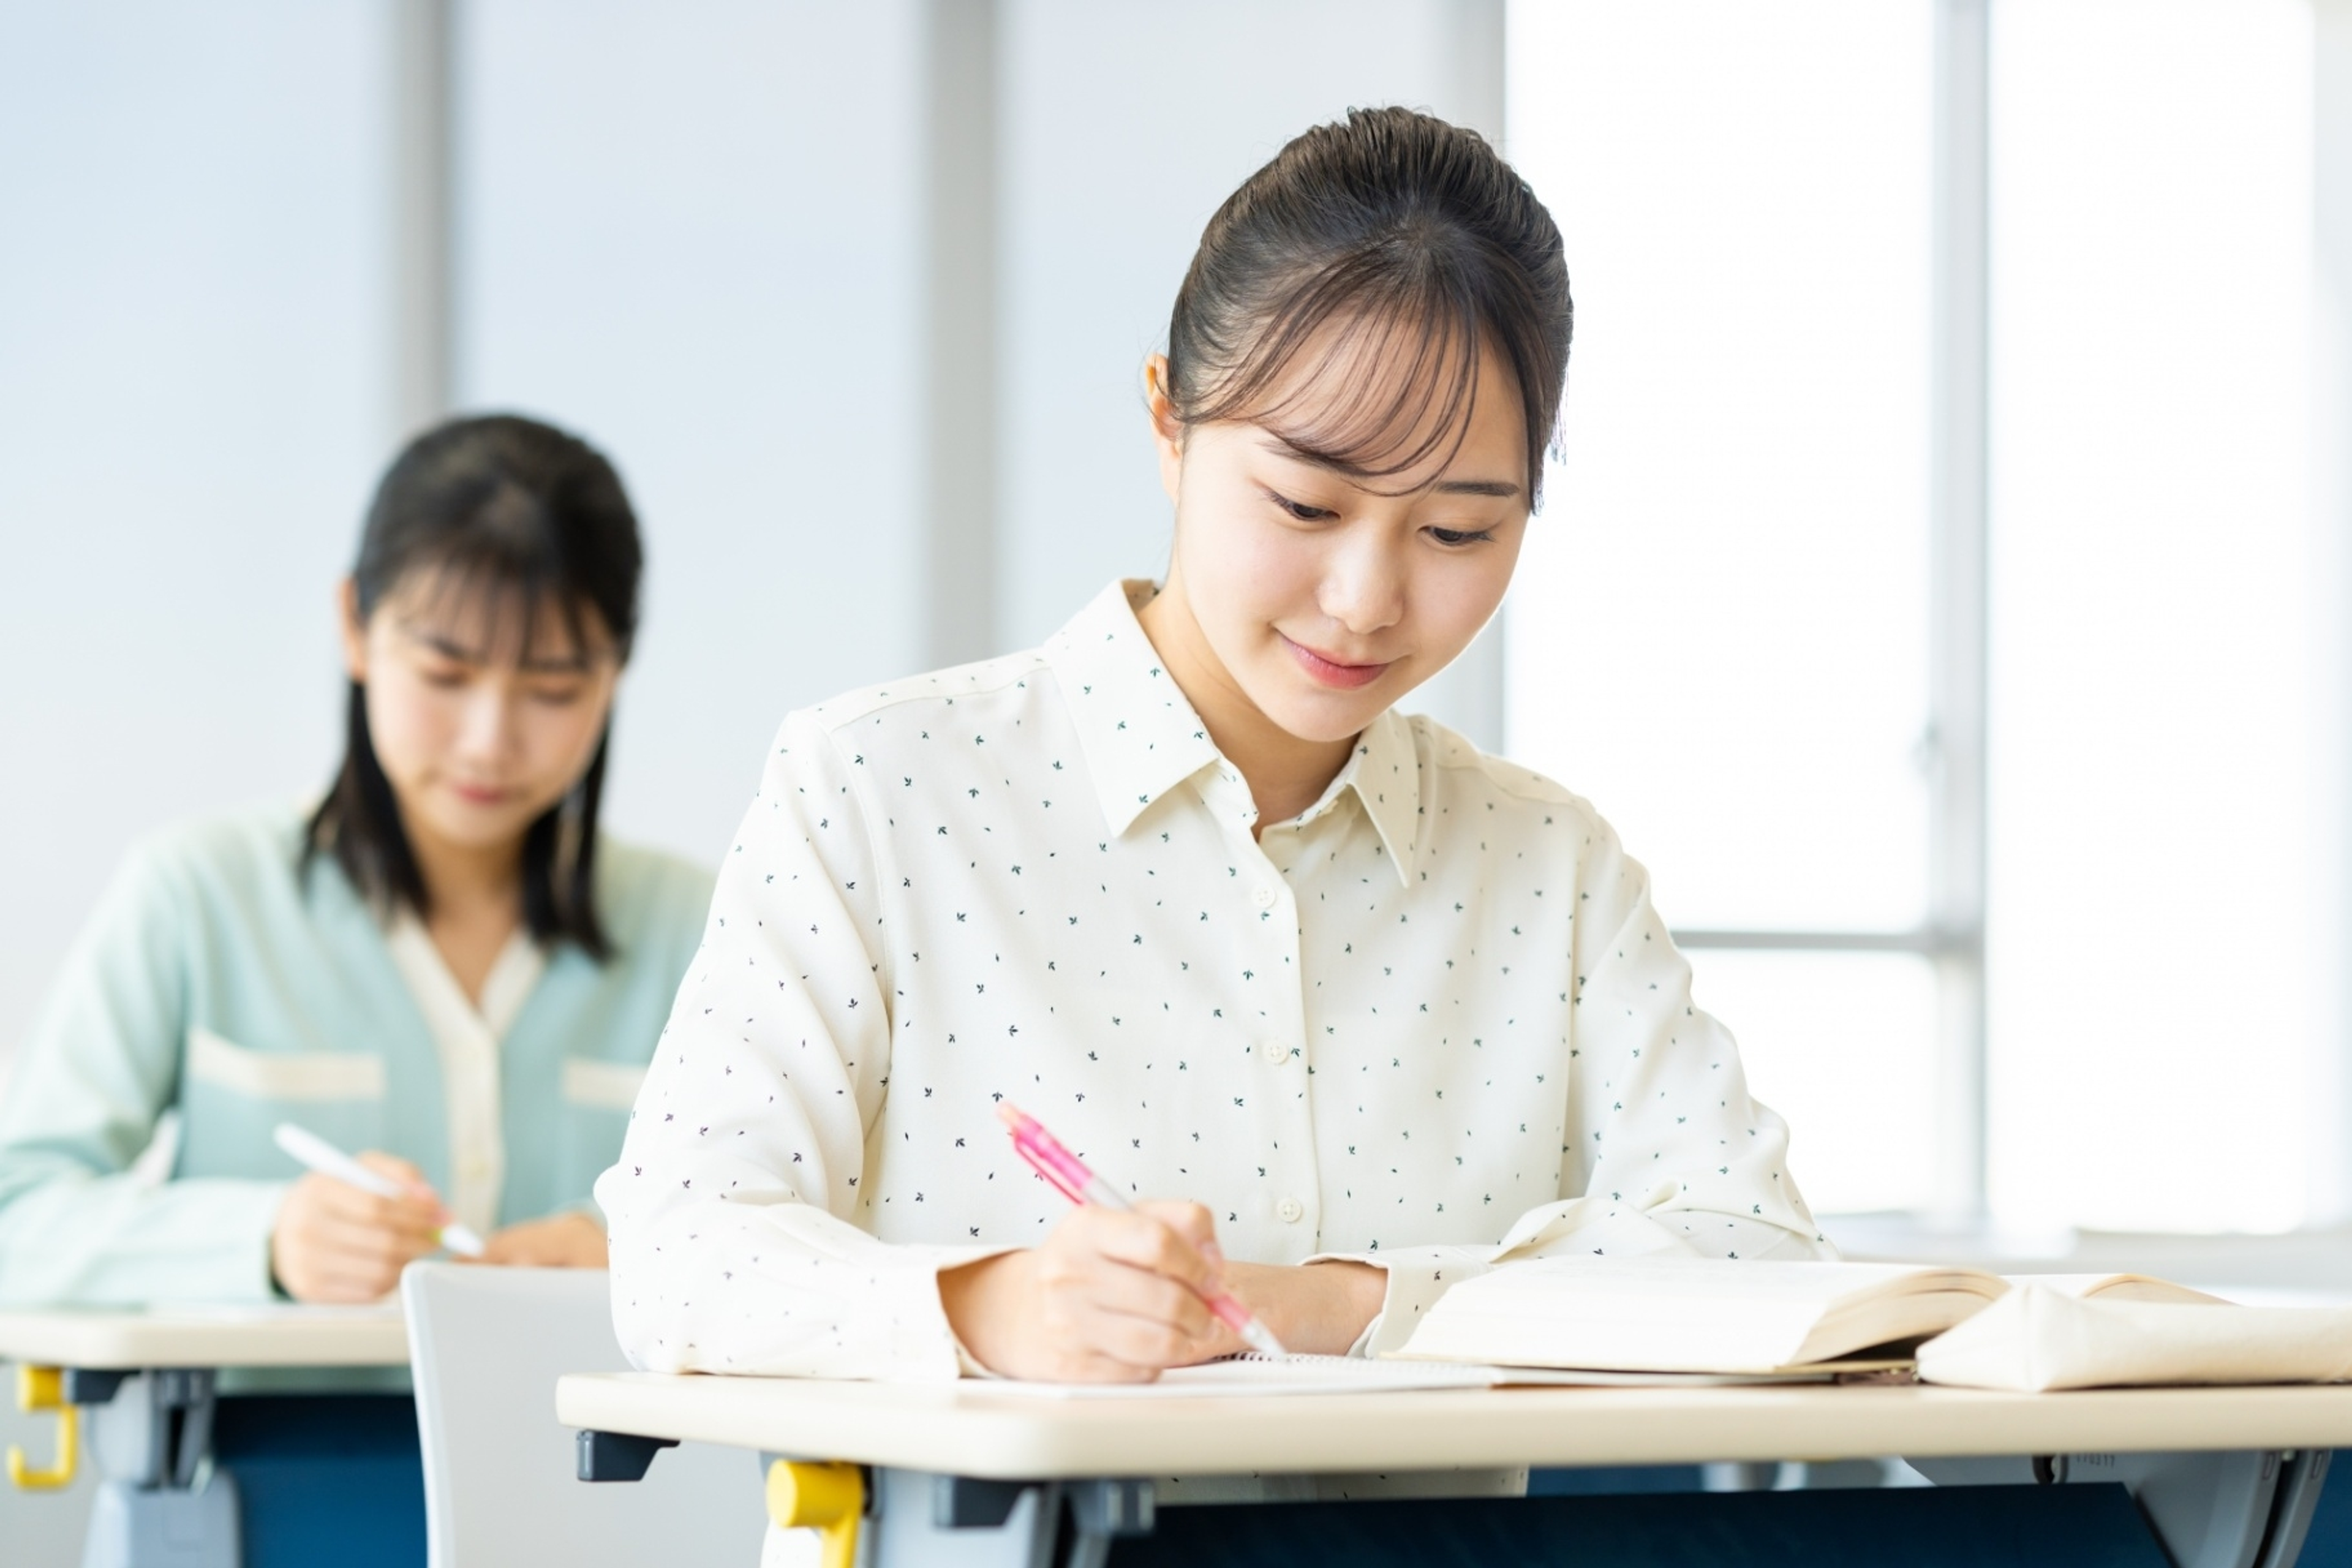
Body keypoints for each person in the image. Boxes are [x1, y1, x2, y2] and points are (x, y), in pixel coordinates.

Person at [601, 107, 1830, 1391]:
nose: (1365, 596)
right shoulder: (881, 789)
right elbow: (683, 1251)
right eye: (1306, 503)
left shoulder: (1547, 867)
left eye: (1458, 532)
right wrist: (987, 1309)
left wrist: (1351, 1301)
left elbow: (1756, 1259)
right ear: (1168, 422)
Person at [0, 413, 714, 1308]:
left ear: (615, 675)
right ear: (354, 625)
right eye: (446, 675)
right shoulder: (197, 894)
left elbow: (821, 1222)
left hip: (583, 1453)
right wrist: (262, 1242)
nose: (490, 742)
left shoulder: (705, 932)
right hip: (261, 1449)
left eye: (553, 688)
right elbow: (16, 1219)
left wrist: (633, 1246)